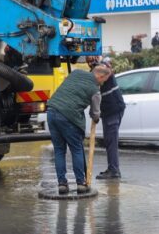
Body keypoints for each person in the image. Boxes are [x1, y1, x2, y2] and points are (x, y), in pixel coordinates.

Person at [47, 66, 111, 194]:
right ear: (100, 76)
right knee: (76, 149)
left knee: (59, 150)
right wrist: (96, 118)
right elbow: (95, 113)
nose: (103, 83)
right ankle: (81, 183)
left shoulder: (76, 73)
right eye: (105, 80)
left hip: (51, 111)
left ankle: (62, 184)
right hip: (68, 117)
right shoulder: (95, 90)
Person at [95, 57, 126, 180]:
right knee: (108, 141)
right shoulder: (97, 68)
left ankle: (114, 170)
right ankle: (112, 167)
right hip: (109, 110)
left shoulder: (103, 66)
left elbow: (108, 70)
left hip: (113, 109)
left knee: (111, 141)